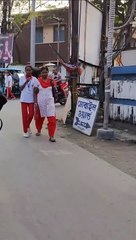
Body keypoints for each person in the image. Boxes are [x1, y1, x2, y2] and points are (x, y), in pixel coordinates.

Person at [34, 66, 56, 142]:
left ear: (48, 72)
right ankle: (39, 130)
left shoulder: (51, 81)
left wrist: (53, 85)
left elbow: (54, 91)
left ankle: (51, 136)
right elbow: (35, 91)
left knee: (52, 119)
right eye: (43, 72)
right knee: (39, 118)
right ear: (40, 73)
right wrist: (35, 102)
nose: (44, 74)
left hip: (49, 102)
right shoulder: (37, 81)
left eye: (46, 72)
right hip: (40, 102)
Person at [19, 65, 39, 138]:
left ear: (32, 71)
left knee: (31, 115)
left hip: (31, 100)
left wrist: (36, 89)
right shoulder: (22, 78)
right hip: (23, 99)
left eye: (30, 70)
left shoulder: (35, 79)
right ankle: (25, 131)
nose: (28, 71)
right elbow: (20, 88)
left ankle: (27, 126)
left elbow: (37, 91)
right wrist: (26, 82)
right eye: (27, 70)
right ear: (25, 71)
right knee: (25, 116)